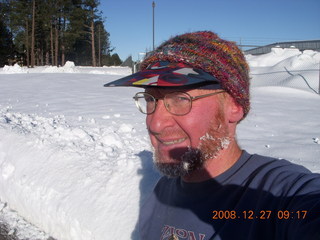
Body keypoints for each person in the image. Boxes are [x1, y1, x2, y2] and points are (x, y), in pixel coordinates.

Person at [104, 31, 320, 240]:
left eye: (180, 98)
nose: (155, 122)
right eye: (151, 99)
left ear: (234, 106)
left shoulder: (278, 196)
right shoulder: (160, 195)